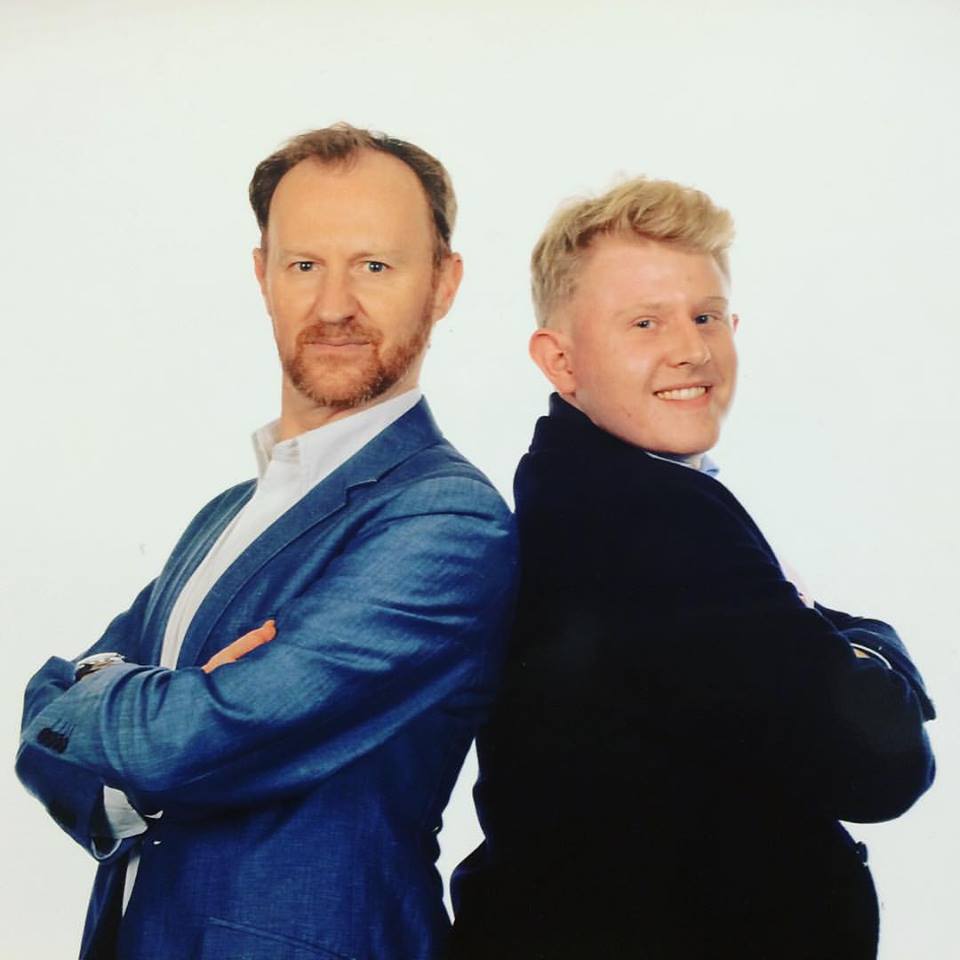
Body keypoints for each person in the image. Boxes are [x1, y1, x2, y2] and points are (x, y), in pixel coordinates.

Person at [16, 123, 516, 960]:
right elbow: (46, 739)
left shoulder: (446, 520)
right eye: (304, 265)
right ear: (263, 276)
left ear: (444, 283)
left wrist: (107, 695)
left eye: (375, 266)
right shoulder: (225, 514)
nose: (334, 305)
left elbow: (180, 740)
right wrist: (147, 729)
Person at [450, 177, 935, 959]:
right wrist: (875, 645)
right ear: (560, 361)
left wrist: (818, 637)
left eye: (706, 316)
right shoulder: (648, 516)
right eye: (645, 322)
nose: (691, 349)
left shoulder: (579, 490)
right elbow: (882, 768)